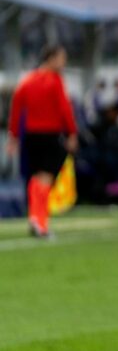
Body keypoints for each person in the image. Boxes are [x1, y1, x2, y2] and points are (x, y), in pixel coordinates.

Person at [6, 45, 78, 238]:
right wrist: (72, 133)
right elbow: (65, 108)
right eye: (62, 59)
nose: (64, 63)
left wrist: (13, 136)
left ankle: (34, 217)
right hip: (49, 134)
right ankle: (40, 221)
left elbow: (16, 107)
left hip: (31, 136)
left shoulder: (28, 81)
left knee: (36, 177)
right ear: (52, 59)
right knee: (45, 178)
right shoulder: (54, 81)